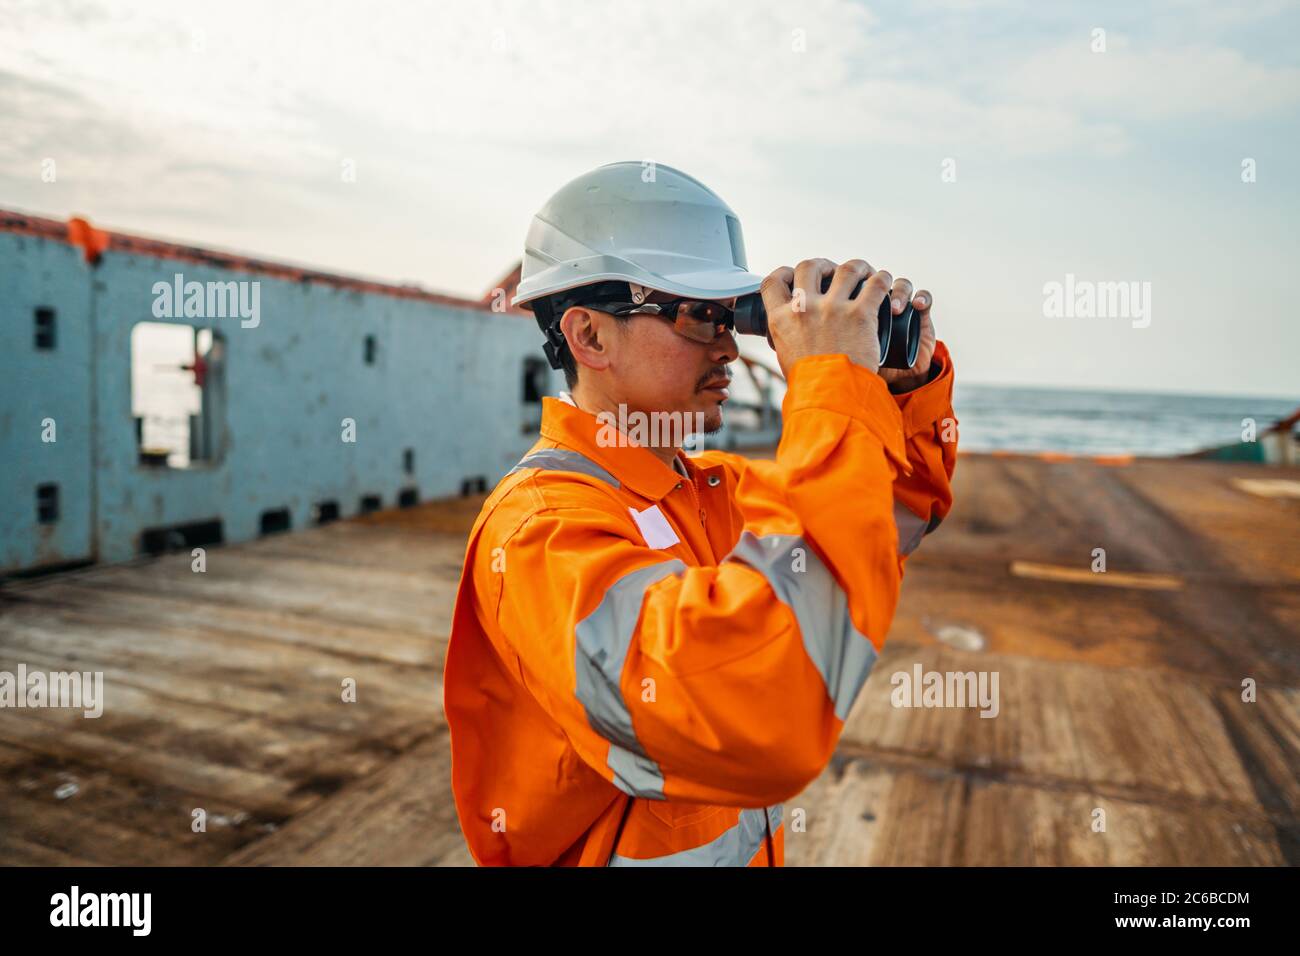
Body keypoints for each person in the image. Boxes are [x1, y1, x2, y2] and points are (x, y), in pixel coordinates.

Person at [443, 162, 958, 865]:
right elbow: (754, 712)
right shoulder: (538, 532)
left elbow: (883, 519)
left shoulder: (711, 489)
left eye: (733, 317)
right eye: (698, 316)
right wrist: (830, 387)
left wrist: (894, 394)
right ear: (590, 337)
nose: (727, 346)